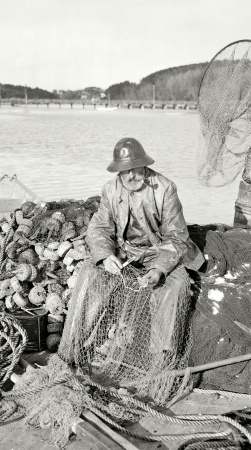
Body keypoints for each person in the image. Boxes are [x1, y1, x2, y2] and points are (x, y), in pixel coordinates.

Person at [59, 137, 204, 375]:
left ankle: (160, 363)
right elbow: (99, 229)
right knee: (90, 274)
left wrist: (158, 269)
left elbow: (176, 236)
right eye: (124, 171)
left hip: (159, 250)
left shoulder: (166, 188)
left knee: (176, 285)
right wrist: (106, 256)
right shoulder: (110, 189)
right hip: (124, 251)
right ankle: (72, 350)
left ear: (144, 165)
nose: (130, 176)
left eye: (135, 169)